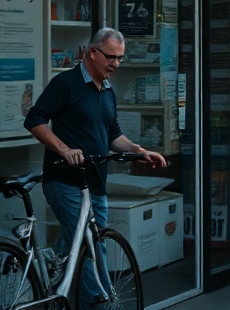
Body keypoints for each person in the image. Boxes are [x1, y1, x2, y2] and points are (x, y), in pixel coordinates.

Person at [24, 28, 167, 304]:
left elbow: (114, 136)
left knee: (87, 245)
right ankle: (99, 304)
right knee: (90, 248)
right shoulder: (65, 84)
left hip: (95, 184)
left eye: (120, 58)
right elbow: (35, 120)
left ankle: (54, 282)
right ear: (92, 52)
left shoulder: (108, 91)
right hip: (65, 181)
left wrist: (139, 151)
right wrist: (64, 149)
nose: (116, 64)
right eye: (111, 57)